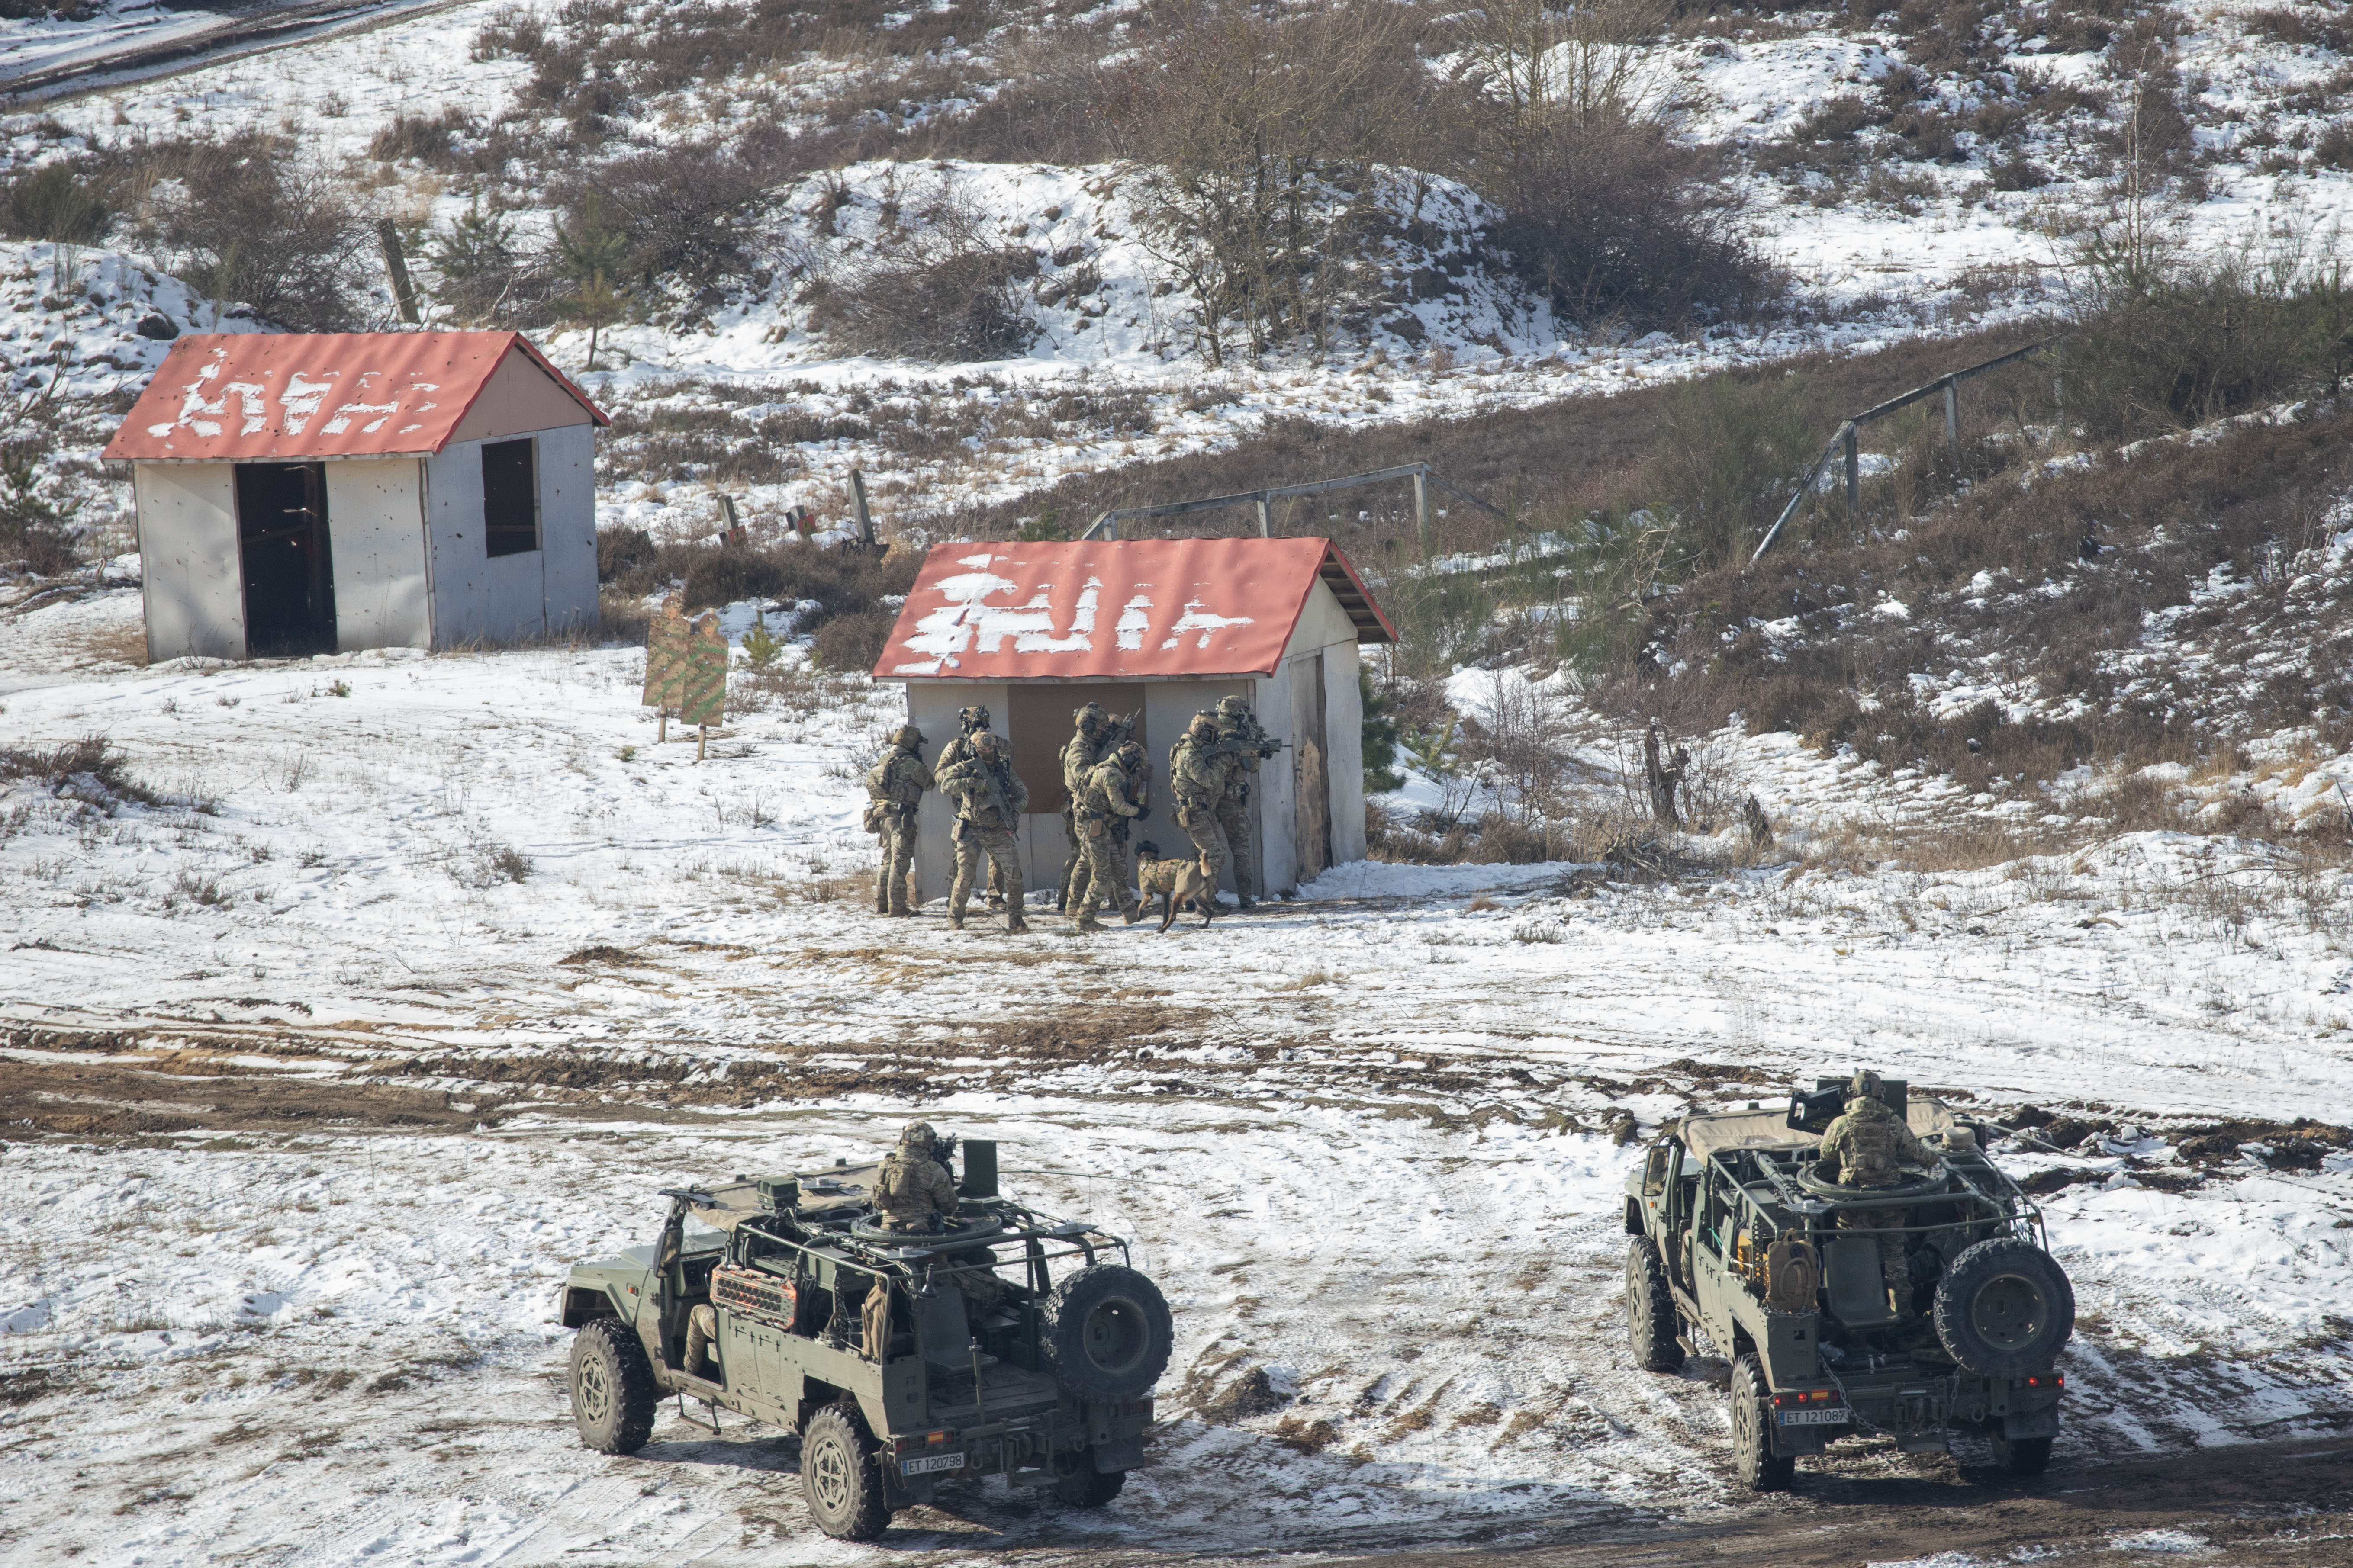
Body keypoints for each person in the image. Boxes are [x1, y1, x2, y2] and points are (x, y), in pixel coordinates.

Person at [1816, 1068, 1935, 1318]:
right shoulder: (1893, 1122)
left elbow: (1826, 1155)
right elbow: (1920, 1155)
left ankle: (1852, 1311)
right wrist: (1936, 1155)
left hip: (1852, 1201)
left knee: (1850, 1255)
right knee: (1895, 1257)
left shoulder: (1842, 1123)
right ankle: (1901, 1310)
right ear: (1881, 1093)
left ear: (1853, 1092)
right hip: (1888, 1200)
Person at [938, 729, 1030, 932]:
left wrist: (1015, 812)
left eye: (991, 749)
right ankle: (955, 918)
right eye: (983, 750)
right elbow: (945, 786)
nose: (988, 753)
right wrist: (972, 783)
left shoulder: (1004, 769)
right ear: (975, 750)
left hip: (998, 829)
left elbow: (1023, 792)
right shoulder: (965, 768)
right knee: (965, 878)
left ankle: (1016, 920)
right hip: (971, 829)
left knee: (1014, 874)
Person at [1072, 739, 1149, 931]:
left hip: (1100, 827)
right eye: (1137, 765)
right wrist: (1138, 812)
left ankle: (1131, 913)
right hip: (1093, 827)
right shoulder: (1112, 774)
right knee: (1102, 876)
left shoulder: (1108, 768)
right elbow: (1118, 806)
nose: (1136, 770)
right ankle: (1085, 919)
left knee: (1120, 869)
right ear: (1130, 760)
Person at [937, 706, 1006, 911]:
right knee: (962, 861)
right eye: (977, 724)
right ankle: (955, 902)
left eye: (984, 724)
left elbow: (1010, 751)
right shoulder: (957, 747)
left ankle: (995, 897)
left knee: (998, 857)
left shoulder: (993, 744)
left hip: (993, 808)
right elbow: (939, 776)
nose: (981, 728)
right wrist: (965, 772)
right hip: (965, 810)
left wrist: (989, 741)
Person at [864, 725, 932, 917]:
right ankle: (897, 906)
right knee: (900, 862)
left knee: (887, 861)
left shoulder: (881, 762)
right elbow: (929, 783)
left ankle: (881, 905)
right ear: (911, 743)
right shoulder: (910, 763)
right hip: (901, 819)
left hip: (882, 817)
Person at [1211, 694, 1266, 909]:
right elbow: (1253, 766)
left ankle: (1200, 898)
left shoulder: (1210, 730)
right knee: (1240, 850)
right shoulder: (1242, 735)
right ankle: (1245, 898)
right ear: (1239, 712)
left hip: (1208, 800)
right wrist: (1255, 750)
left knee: (1204, 851)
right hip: (1232, 802)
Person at [1057, 703, 1113, 915]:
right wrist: (1111, 764)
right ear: (1087, 727)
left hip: (1097, 811)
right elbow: (1085, 778)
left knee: (1085, 860)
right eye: (1099, 727)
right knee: (1092, 863)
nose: (1103, 731)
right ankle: (1078, 908)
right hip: (1088, 813)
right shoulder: (1079, 750)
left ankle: (1072, 905)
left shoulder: (1092, 747)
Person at [1168, 713, 1231, 897]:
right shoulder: (1189, 754)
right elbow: (1208, 779)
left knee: (1202, 857)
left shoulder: (1193, 751)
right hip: (1195, 812)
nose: (1216, 738)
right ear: (1203, 733)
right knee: (1215, 854)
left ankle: (1191, 898)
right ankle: (1207, 901)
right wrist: (1225, 760)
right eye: (1214, 734)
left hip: (1202, 810)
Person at [875, 1120, 960, 1231]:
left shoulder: (885, 1165)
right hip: (922, 1229)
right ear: (928, 1142)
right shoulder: (932, 1169)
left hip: (888, 1228)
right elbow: (949, 1207)